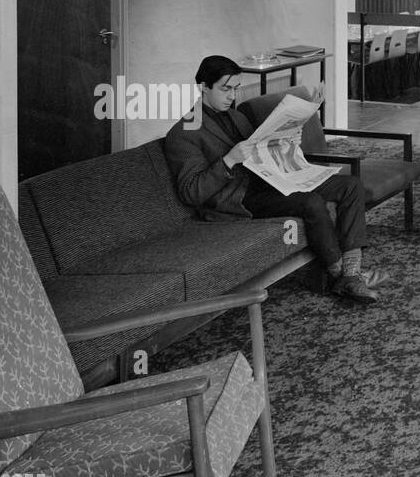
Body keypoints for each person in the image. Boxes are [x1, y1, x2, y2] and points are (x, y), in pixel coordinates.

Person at [163, 55, 386, 303]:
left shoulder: (236, 117)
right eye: (225, 89)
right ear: (203, 86)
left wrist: (288, 140)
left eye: (235, 89)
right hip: (239, 199)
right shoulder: (183, 133)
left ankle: (350, 275)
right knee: (311, 202)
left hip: (270, 180)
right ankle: (341, 275)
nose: (231, 96)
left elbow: (262, 149)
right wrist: (228, 160)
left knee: (351, 186)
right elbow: (191, 192)